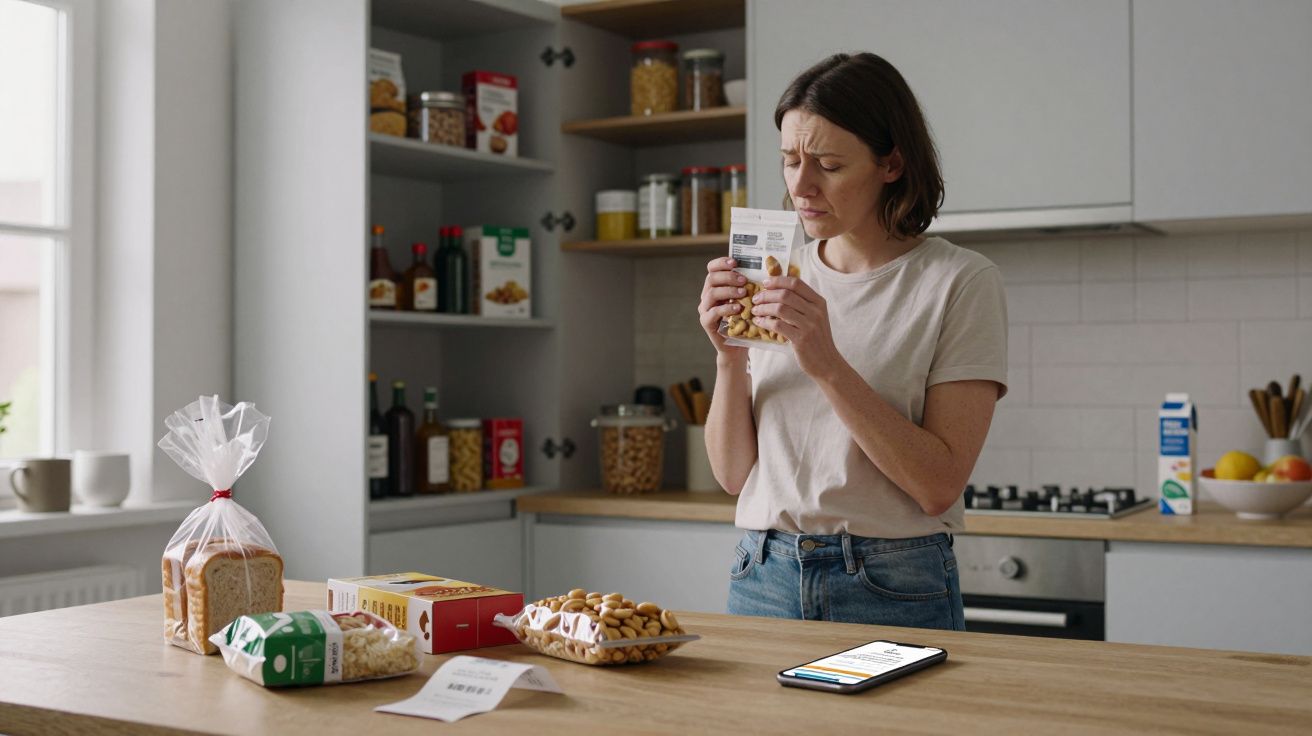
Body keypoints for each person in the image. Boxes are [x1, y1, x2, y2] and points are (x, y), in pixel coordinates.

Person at [697, 53, 1008, 630]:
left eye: (830, 165)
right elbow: (735, 477)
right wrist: (727, 358)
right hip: (762, 572)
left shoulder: (960, 283)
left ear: (891, 164)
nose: (800, 186)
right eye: (789, 161)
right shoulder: (776, 273)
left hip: (890, 581)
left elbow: (938, 485)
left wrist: (827, 365)